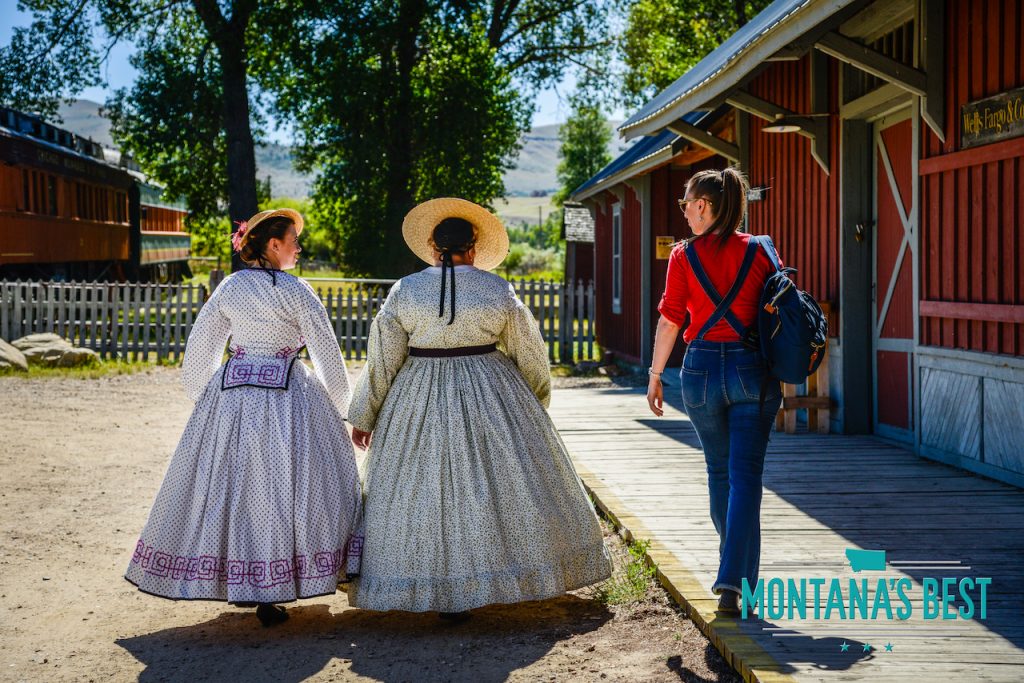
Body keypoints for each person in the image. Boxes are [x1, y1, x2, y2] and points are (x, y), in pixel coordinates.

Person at [346, 197, 611, 620]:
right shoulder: (496, 289)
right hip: (492, 390)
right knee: (497, 488)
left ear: (433, 247)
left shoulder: (406, 290)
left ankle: (422, 578)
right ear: (472, 248)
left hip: (418, 390)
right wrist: (533, 404)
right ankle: (493, 574)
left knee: (423, 489)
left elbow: (383, 358)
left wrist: (365, 414)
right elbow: (530, 352)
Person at [124, 209, 362, 627]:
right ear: (273, 246)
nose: (298, 248)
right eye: (293, 241)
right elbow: (327, 353)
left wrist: (205, 401)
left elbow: (200, 348)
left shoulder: (230, 289)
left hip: (232, 393)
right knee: (294, 486)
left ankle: (244, 580)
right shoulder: (296, 292)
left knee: (237, 488)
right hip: (290, 396)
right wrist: (346, 410)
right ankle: (277, 583)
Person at [646, 168, 783, 615]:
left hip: (700, 370)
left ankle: (732, 578)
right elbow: (781, 309)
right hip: (751, 370)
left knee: (719, 474)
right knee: (745, 479)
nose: (684, 212)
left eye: (686, 204)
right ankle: (735, 581)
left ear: (704, 205)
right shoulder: (762, 250)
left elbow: (671, 320)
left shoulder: (684, 257)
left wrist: (655, 374)